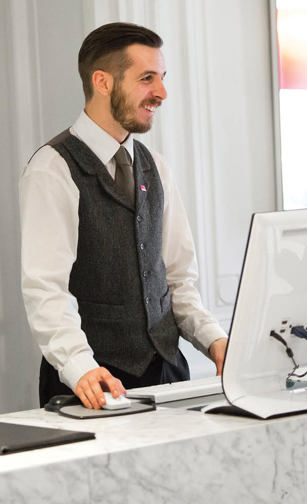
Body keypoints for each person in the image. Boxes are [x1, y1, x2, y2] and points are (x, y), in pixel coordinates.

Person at [20, 22, 228, 410]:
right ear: (103, 82)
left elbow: (177, 280)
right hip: (90, 384)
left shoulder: (156, 167)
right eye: (147, 79)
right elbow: (46, 289)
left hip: (167, 377)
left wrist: (215, 339)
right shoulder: (52, 168)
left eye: (162, 78)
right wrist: (80, 366)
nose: (162, 93)